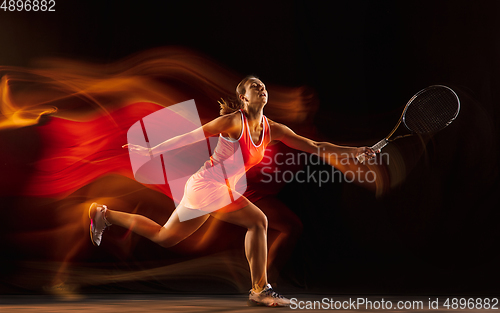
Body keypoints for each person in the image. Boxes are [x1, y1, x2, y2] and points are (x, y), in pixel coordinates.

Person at [89, 76, 376, 306]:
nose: (261, 89)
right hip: (207, 185)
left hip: (213, 187)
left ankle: (105, 215)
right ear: (243, 97)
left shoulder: (272, 128)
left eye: (263, 86)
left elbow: (314, 147)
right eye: (255, 87)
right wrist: (151, 149)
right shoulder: (232, 122)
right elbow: (191, 136)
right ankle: (260, 289)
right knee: (259, 221)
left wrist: (354, 152)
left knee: (166, 237)